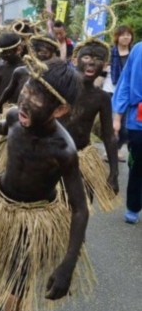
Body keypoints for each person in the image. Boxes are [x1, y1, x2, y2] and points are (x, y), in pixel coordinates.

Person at [0, 59, 94, 311]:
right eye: (27, 88)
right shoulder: (15, 116)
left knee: (18, 283)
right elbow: (3, 125)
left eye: (37, 97)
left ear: (59, 110)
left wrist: (68, 263)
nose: (25, 100)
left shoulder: (63, 149)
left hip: (33, 222)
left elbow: (80, 208)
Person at [59, 39, 120, 211]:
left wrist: (114, 173)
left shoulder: (101, 98)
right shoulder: (60, 88)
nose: (92, 62)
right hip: (53, 156)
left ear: (105, 65)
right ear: (75, 60)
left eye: (98, 59)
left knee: (81, 209)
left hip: (82, 158)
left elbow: (108, 136)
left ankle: (78, 238)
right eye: (86, 57)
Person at [112, 40, 142, 224]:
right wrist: (117, 116)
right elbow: (124, 82)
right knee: (138, 164)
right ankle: (133, 206)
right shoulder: (138, 49)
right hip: (138, 119)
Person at [103, 25, 134, 161]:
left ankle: (118, 149)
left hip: (128, 93)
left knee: (125, 126)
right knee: (111, 124)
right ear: (117, 37)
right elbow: (101, 73)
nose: (126, 37)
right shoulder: (109, 53)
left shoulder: (134, 54)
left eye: (128, 34)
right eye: (123, 34)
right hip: (111, 91)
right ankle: (110, 150)